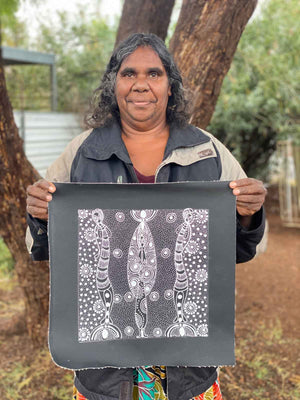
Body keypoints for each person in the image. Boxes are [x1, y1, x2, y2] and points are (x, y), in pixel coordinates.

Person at [26, 33, 266, 400]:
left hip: (189, 375)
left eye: (154, 74)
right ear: (113, 85)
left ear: (171, 86)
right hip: (106, 377)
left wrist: (250, 215)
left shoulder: (208, 152)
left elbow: (242, 248)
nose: (141, 84)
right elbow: (42, 248)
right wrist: (41, 216)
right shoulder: (81, 154)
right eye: (129, 73)